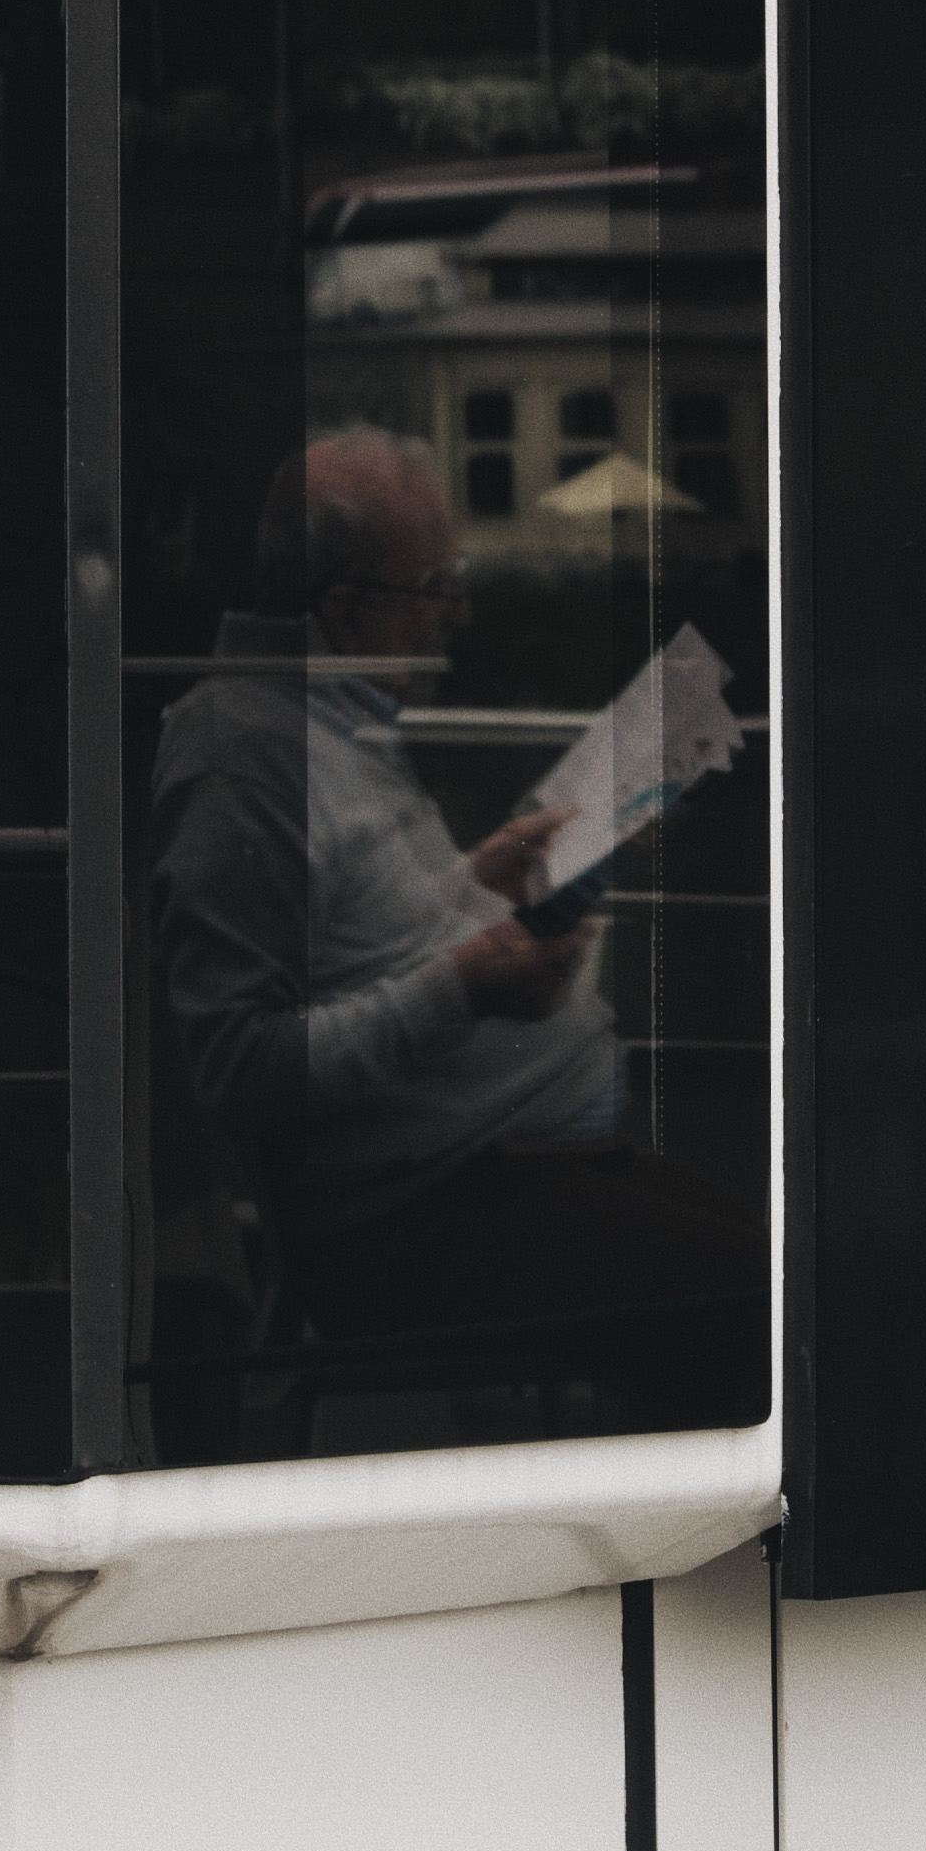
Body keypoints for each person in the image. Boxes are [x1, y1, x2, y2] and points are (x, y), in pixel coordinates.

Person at [148, 426, 765, 1424]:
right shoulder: (241, 760)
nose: (459, 612)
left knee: (787, 1275)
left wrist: (473, 879)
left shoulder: (327, 717)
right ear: (349, 610)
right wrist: (467, 984)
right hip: (417, 1218)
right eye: (435, 585)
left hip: (494, 1171)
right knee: (763, 1305)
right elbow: (238, 1067)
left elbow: (353, 939)